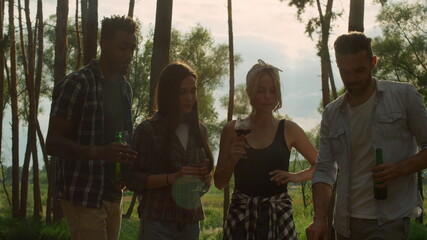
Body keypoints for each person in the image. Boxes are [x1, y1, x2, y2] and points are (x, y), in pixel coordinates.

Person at [306, 32, 427, 240]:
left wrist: (398, 170)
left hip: (390, 222)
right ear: (338, 66)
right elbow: (324, 170)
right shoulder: (332, 113)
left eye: (359, 70)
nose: (352, 79)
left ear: (373, 62)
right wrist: (319, 220)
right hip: (344, 225)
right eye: (345, 72)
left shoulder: (404, 96)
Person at [46, 15, 138, 240]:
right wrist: (98, 152)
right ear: (103, 44)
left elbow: (122, 137)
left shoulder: (125, 88)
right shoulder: (78, 83)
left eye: (132, 48)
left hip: (113, 193)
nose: (129, 54)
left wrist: (126, 167)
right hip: (83, 194)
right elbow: (53, 143)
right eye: (122, 47)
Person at [214, 59, 318, 240]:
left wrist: (296, 176)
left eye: (273, 90)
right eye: (261, 90)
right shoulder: (233, 130)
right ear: (249, 92)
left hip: (279, 219)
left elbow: (322, 165)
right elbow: (219, 182)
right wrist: (233, 159)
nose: (268, 96)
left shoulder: (289, 129)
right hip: (241, 218)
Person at [126, 62, 214, 240]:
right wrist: (172, 178)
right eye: (182, 92)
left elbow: (203, 185)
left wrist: (204, 177)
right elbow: (132, 179)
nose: (189, 97)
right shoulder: (148, 130)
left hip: (190, 222)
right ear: (168, 93)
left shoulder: (200, 130)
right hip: (158, 222)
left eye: (193, 91)